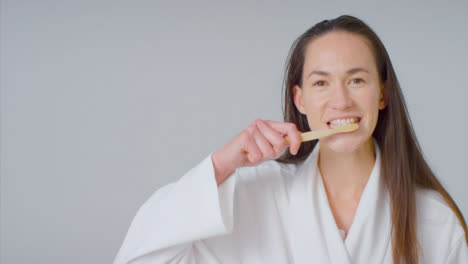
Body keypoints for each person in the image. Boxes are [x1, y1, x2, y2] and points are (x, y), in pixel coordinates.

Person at [113, 15, 468, 264]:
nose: (341, 100)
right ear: (300, 99)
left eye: (357, 80)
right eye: (320, 83)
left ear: (382, 95)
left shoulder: (433, 218)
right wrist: (222, 165)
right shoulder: (251, 197)